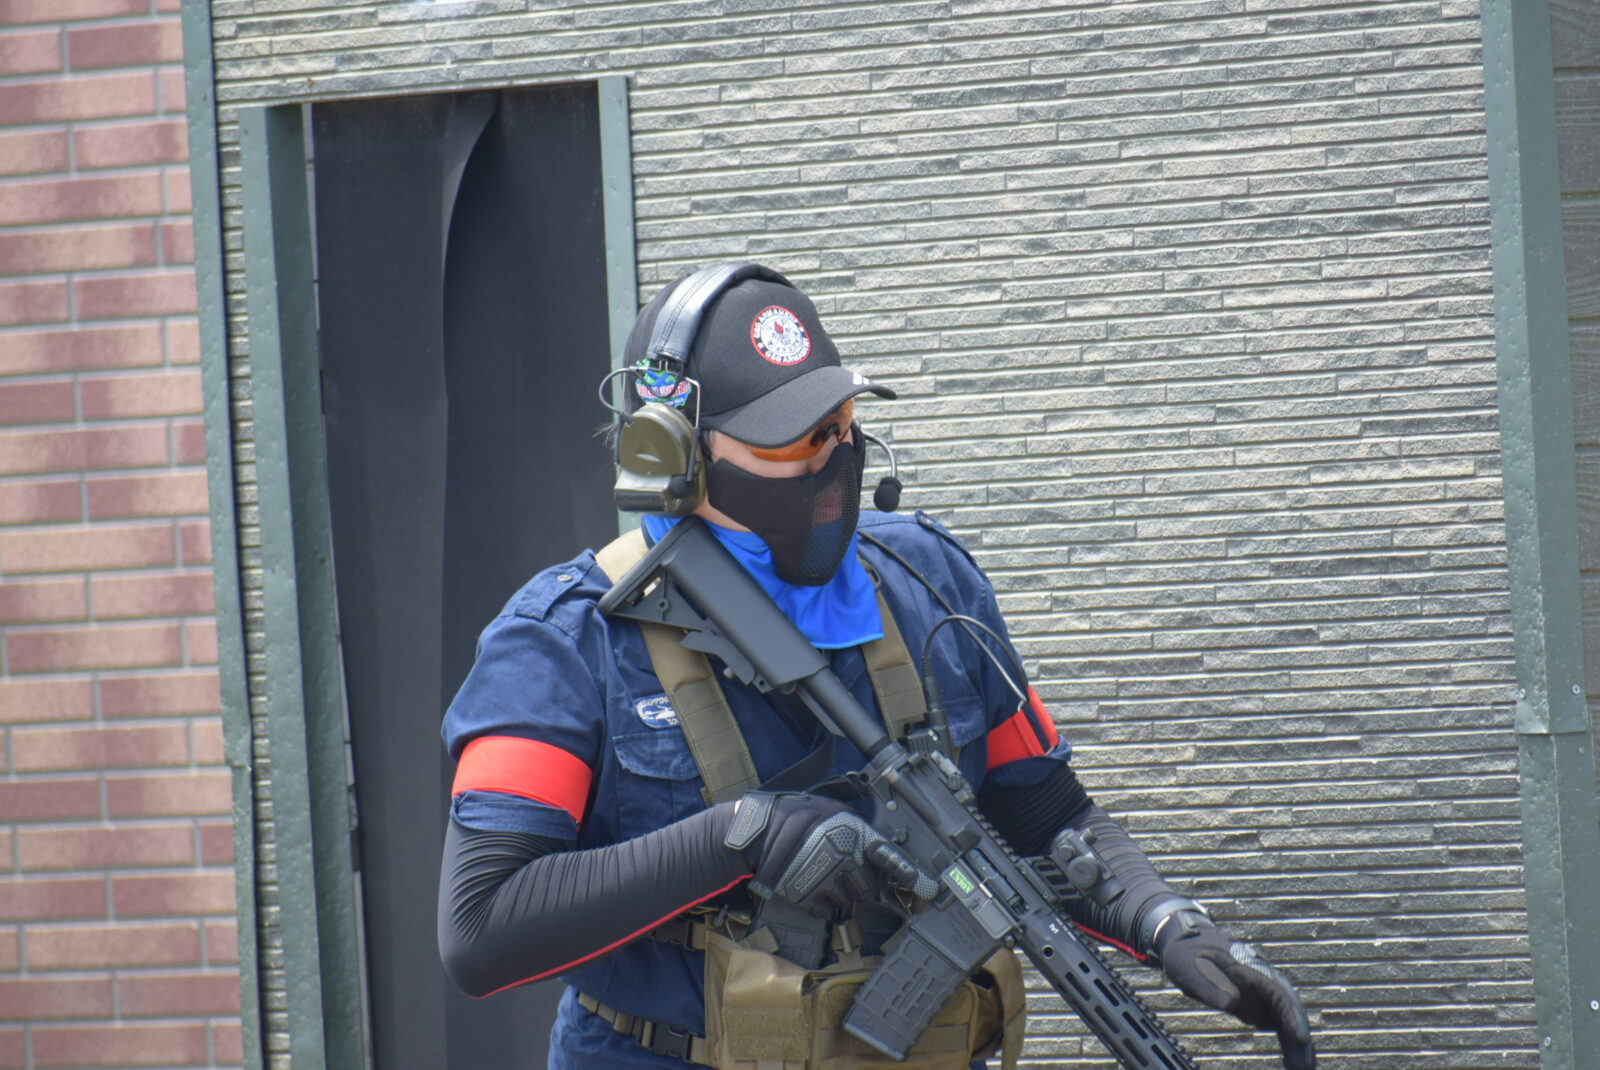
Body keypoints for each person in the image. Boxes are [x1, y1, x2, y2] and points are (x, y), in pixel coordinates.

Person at [437, 263, 1316, 1070]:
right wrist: (742, 839)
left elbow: (1046, 811)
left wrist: (1167, 922)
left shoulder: (929, 579)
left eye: (840, 427)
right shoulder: (563, 639)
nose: (833, 461)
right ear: (674, 456)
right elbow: (482, 926)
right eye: (792, 440)